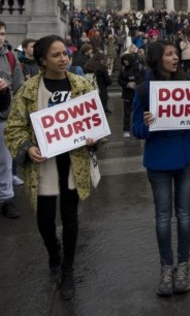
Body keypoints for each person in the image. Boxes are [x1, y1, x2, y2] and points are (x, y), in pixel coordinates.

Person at [4, 35, 98, 299]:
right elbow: (14, 127)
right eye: (56, 55)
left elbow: (95, 122)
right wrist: (26, 148)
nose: (64, 59)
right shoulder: (29, 89)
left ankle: (67, 268)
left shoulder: (82, 85)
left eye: (65, 53)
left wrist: (93, 140)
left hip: (73, 162)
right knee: (45, 220)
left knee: (70, 218)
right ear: (43, 60)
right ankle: (53, 253)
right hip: (43, 165)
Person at [132, 41, 190, 296]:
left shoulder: (189, 83)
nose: (176, 58)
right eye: (169, 54)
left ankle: (183, 266)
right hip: (160, 161)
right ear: (157, 59)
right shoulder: (143, 91)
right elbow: (135, 130)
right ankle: (166, 268)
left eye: (176, 53)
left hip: (187, 159)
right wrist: (147, 123)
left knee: (184, 214)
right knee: (163, 216)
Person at [0, 20, 25, 219]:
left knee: (5, 163)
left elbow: (19, 88)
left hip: (3, 118)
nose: (0, 38)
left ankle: (6, 199)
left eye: (2, 33)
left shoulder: (10, 57)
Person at [118, 52, 144, 138]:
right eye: (123, 60)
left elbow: (143, 78)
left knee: (140, 111)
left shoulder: (139, 67)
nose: (125, 62)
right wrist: (127, 84)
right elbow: (119, 80)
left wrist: (135, 83)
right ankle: (126, 130)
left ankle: (139, 128)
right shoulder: (123, 69)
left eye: (126, 60)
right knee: (127, 113)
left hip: (138, 93)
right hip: (127, 94)